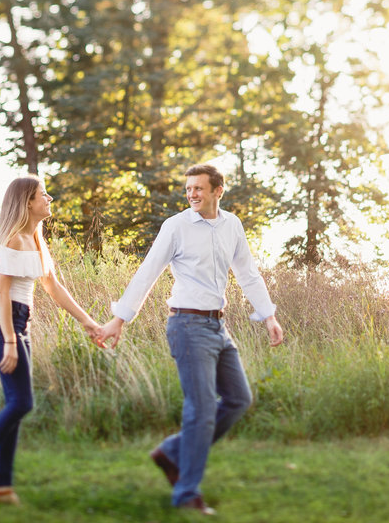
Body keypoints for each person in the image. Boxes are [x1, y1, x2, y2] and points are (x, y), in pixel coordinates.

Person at [94, 164, 284, 514]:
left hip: (217, 327)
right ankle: (186, 494)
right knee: (202, 410)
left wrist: (268, 315)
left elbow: (248, 273)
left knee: (239, 399)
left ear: (217, 191)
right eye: (188, 189)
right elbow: (147, 272)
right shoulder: (176, 227)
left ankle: (173, 451)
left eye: (199, 188)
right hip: (186, 325)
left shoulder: (232, 226)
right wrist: (119, 320)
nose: (192, 194)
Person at [0, 175, 103, 507]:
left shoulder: (34, 239)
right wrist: (9, 340)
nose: (49, 199)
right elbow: (3, 293)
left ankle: (2, 486)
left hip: (20, 323)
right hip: (3, 324)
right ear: (27, 202)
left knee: (16, 403)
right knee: (22, 403)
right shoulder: (12, 240)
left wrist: (89, 323)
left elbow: (53, 287)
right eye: (43, 194)